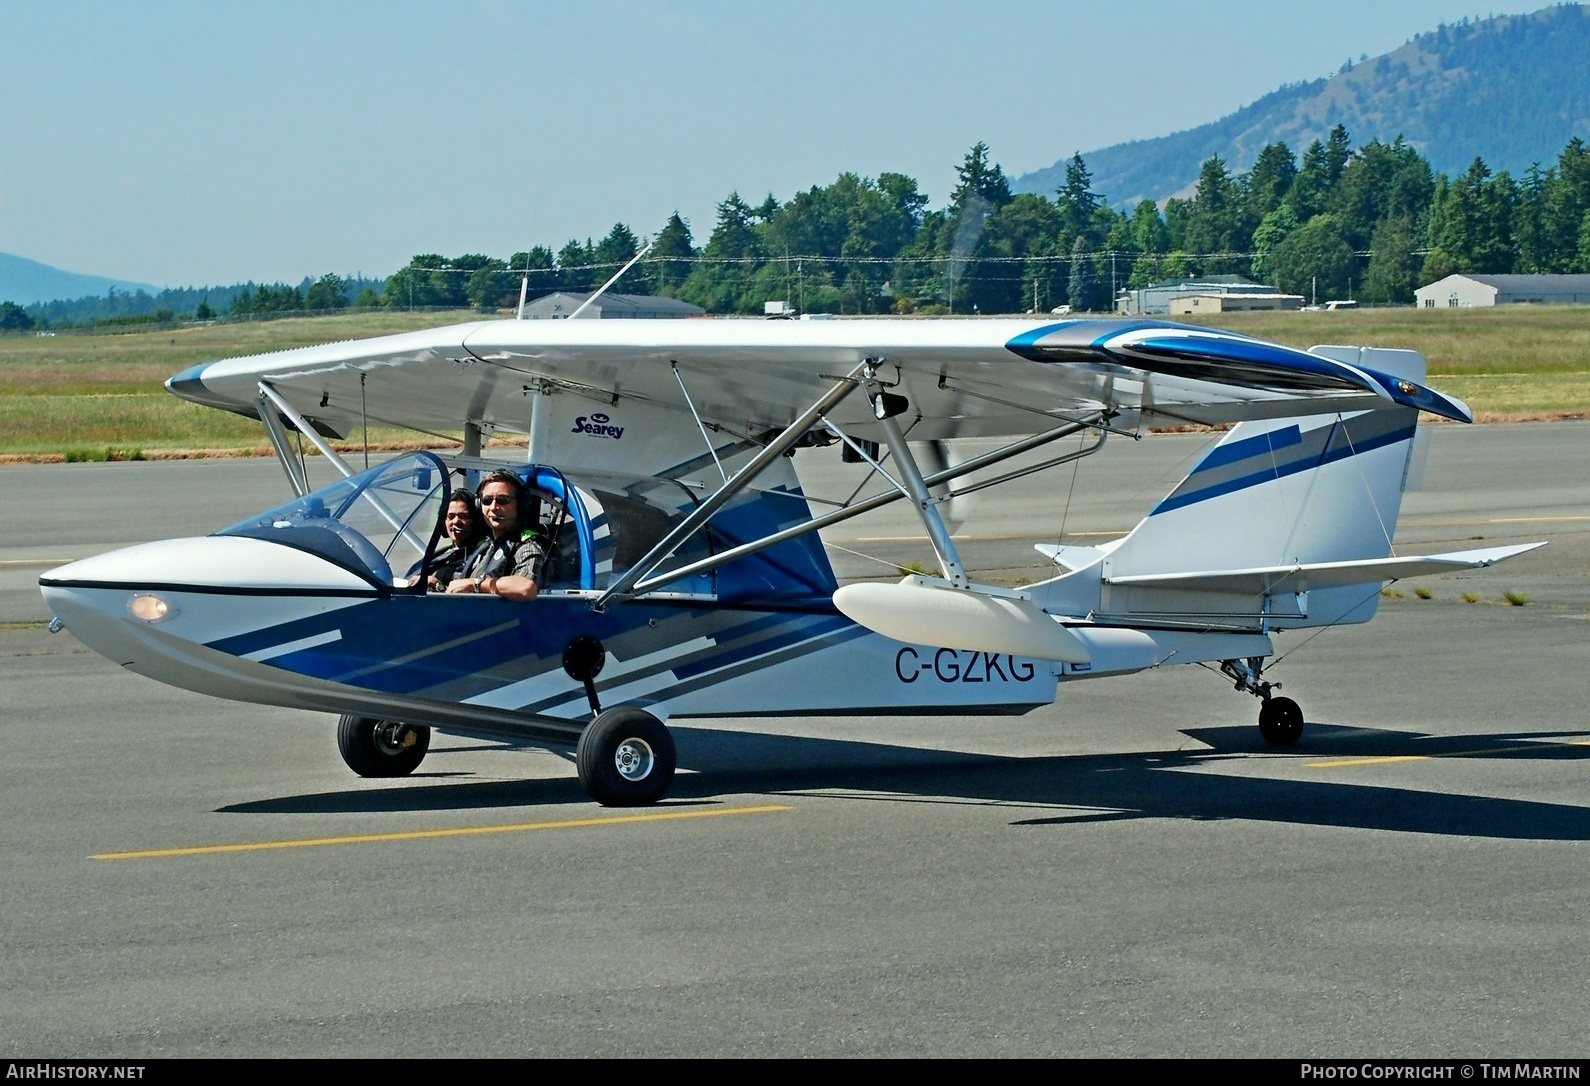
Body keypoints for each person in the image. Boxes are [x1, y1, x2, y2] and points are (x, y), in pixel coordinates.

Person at [445, 469, 544, 601]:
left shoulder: (527, 548)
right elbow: (460, 585)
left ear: (520, 505)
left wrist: (475, 584)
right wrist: (439, 586)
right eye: (487, 500)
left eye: (503, 500)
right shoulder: (485, 549)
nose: (493, 507)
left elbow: (526, 587)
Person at [425, 491, 486, 590]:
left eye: (463, 516)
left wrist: (436, 584)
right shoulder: (441, 555)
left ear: (476, 521)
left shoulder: (483, 555)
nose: (456, 521)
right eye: (451, 516)